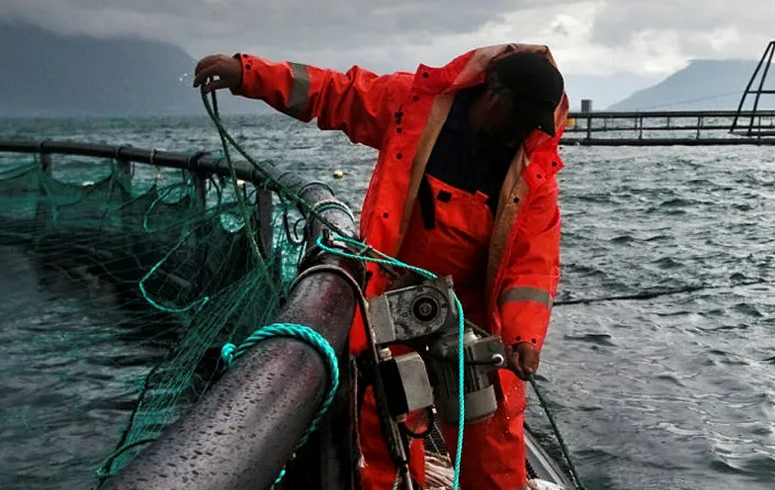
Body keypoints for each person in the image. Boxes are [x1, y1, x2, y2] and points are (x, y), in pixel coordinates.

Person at [194, 43, 566, 490]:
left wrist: (525, 336)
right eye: (522, 118)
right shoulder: (413, 105)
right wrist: (248, 74)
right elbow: (337, 93)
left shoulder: (533, 173)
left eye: (535, 124)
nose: (525, 132)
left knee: (493, 425)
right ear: (494, 93)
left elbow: (531, 267)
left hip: (469, 316)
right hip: (390, 295)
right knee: (380, 413)